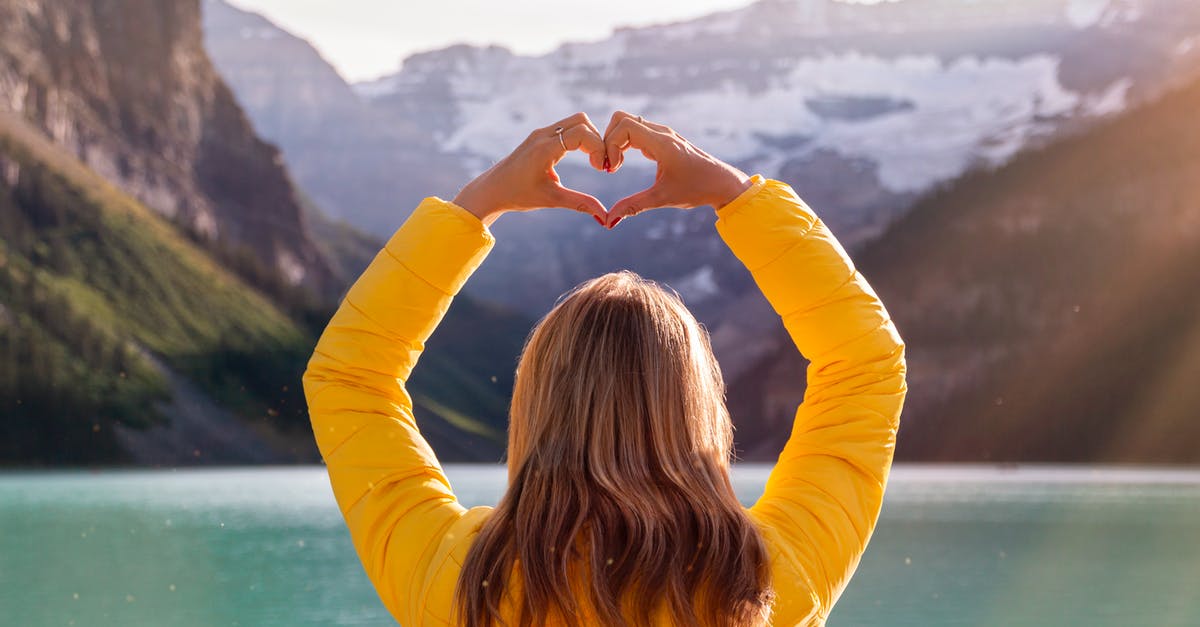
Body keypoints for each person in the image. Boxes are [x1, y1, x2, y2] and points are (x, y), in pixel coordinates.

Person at [303, 111, 907, 626]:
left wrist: (480, 204)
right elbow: (864, 362)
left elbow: (350, 377)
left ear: (536, 403)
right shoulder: (767, 584)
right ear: (698, 409)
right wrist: (736, 194)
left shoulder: (460, 581)